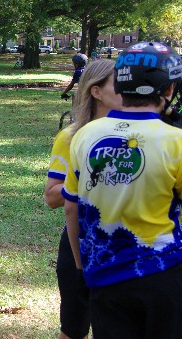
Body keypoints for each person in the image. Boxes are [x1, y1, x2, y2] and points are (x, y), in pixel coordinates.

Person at [63, 42, 182, 338]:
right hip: (163, 273)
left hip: (103, 276)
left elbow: (70, 208)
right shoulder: (175, 141)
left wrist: (80, 270)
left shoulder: (83, 135)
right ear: (168, 90)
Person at [44, 59, 121, 339]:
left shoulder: (139, 137)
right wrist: (87, 181)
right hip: (81, 245)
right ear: (96, 91)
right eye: (118, 82)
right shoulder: (71, 136)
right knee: (74, 330)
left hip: (127, 247)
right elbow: (52, 196)